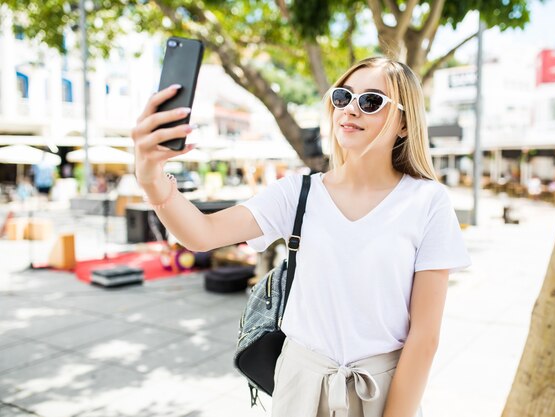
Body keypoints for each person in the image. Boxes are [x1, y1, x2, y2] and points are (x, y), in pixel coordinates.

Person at [131, 57, 471, 417]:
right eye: (343, 97)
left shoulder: (427, 202)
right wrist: (152, 179)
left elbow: (425, 337)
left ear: (403, 123)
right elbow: (203, 234)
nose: (350, 110)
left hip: (384, 390)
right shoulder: (298, 192)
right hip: (300, 385)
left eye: (370, 101)